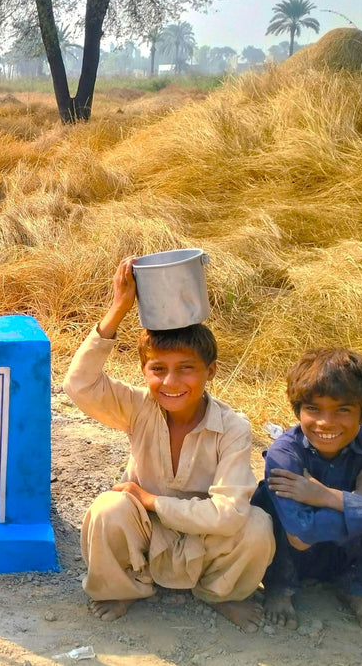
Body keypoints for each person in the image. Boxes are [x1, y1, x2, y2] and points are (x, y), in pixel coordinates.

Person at [64, 257, 274, 632]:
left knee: (256, 526)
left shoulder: (233, 427)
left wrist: (152, 501)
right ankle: (125, 588)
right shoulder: (137, 407)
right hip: (148, 531)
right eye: (158, 369)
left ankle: (221, 594)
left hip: (205, 534)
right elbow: (79, 386)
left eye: (186, 368)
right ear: (144, 372)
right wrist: (117, 310)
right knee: (108, 508)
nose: (171, 382)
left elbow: (228, 516)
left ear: (210, 371)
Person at [253, 347, 362, 631]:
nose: (326, 422)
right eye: (313, 408)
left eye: (343, 410)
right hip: (296, 554)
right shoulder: (285, 452)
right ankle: (281, 587)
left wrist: (328, 496)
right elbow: (300, 533)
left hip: (345, 552)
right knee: (266, 502)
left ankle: (357, 587)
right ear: (298, 409)